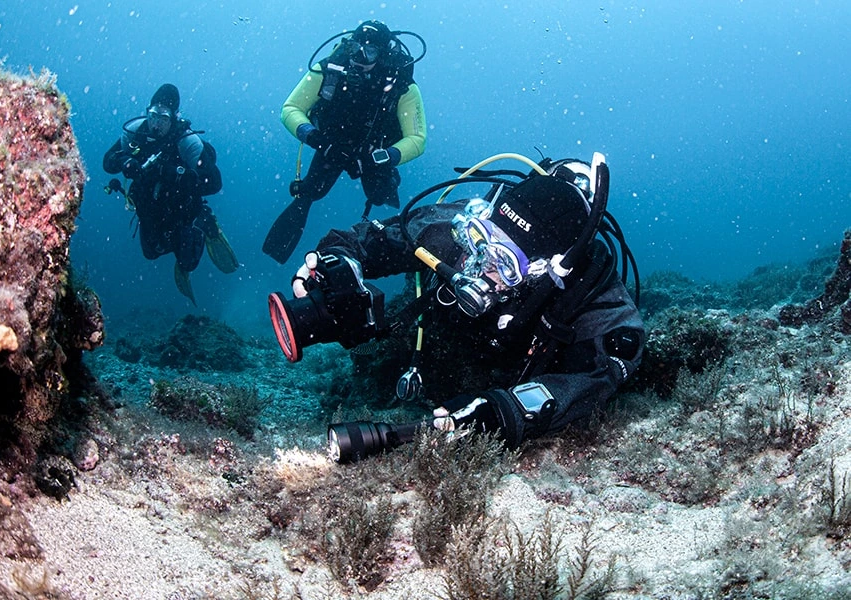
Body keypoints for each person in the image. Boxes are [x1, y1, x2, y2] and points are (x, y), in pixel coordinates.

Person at [273, 152, 645, 459]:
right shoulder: (452, 228)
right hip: (435, 352)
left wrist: (509, 410)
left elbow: (605, 371)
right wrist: (335, 264)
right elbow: (367, 238)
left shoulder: (593, 295)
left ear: (546, 271)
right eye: (480, 239)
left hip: (507, 375)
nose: (478, 262)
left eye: (505, 261)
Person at [263, 20, 428, 265]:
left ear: (381, 55)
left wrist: (381, 158)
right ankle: (278, 248)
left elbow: (417, 138)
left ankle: (385, 195)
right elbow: (291, 108)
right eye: (355, 48)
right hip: (332, 144)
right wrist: (315, 138)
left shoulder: (401, 84)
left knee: (379, 195)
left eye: (370, 51)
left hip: (373, 150)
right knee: (310, 192)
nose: (359, 56)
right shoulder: (330, 69)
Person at [103, 83, 238, 304]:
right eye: (153, 115)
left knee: (188, 262)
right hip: (150, 207)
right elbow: (107, 162)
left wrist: (176, 174)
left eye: (163, 118)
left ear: (173, 118)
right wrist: (124, 161)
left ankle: (204, 223)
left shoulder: (186, 141)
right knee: (151, 252)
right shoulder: (136, 132)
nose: (156, 124)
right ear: (147, 111)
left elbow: (214, 182)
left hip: (182, 210)